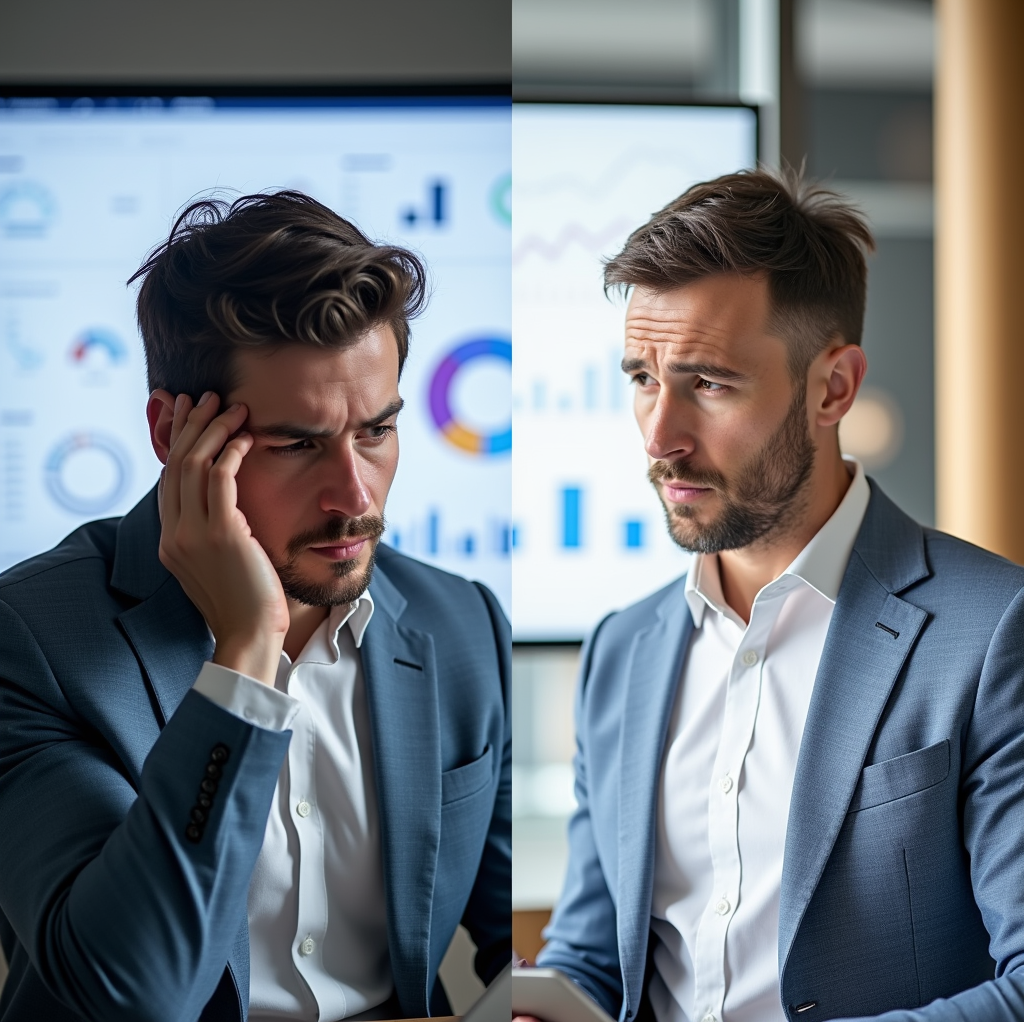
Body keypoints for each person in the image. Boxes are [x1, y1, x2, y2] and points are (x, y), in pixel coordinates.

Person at [0, 192, 511, 1022]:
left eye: (376, 432)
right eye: (298, 444)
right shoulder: (34, 643)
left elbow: (524, 955)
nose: (354, 496)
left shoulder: (463, 626)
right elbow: (129, 991)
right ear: (175, 435)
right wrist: (245, 655)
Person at [529, 170, 1024, 1021]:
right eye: (642, 377)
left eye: (709, 384)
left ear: (832, 388)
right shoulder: (623, 649)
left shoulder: (992, 630)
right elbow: (593, 956)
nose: (659, 436)